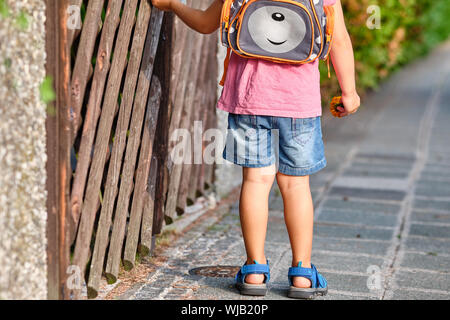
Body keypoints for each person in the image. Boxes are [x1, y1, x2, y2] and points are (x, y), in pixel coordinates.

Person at [151, 0, 361, 299]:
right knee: (296, 186)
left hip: (249, 99)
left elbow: (205, 23)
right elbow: (338, 39)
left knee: (256, 181)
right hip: (298, 105)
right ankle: (302, 274)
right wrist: (349, 92)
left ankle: (254, 269)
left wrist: (172, 4)